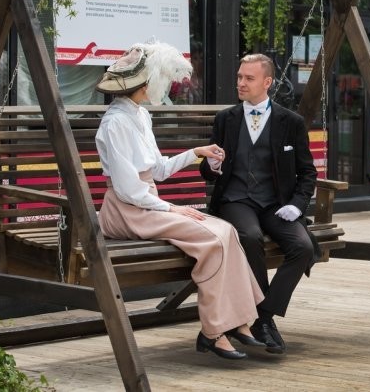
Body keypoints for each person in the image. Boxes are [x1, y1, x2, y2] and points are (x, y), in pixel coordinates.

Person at [95, 42, 265, 361]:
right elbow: (129, 189)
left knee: (226, 231)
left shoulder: (139, 115)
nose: (165, 84)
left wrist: (195, 153)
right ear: (144, 84)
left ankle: (240, 321)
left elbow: (157, 170)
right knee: (213, 239)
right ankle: (213, 332)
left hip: (146, 205)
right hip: (127, 211)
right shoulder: (115, 122)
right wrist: (173, 209)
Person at [200, 53, 318, 354]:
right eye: (239, 77)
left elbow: (307, 172)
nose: (241, 82)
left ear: (267, 82)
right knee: (249, 237)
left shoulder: (290, 122)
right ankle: (260, 323)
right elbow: (207, 172)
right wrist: (212, 165)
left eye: (248, 78)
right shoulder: (225, 119)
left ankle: (262, 316)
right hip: (236, 199)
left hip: (276, 203)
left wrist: (297, 204)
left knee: (303, 247)